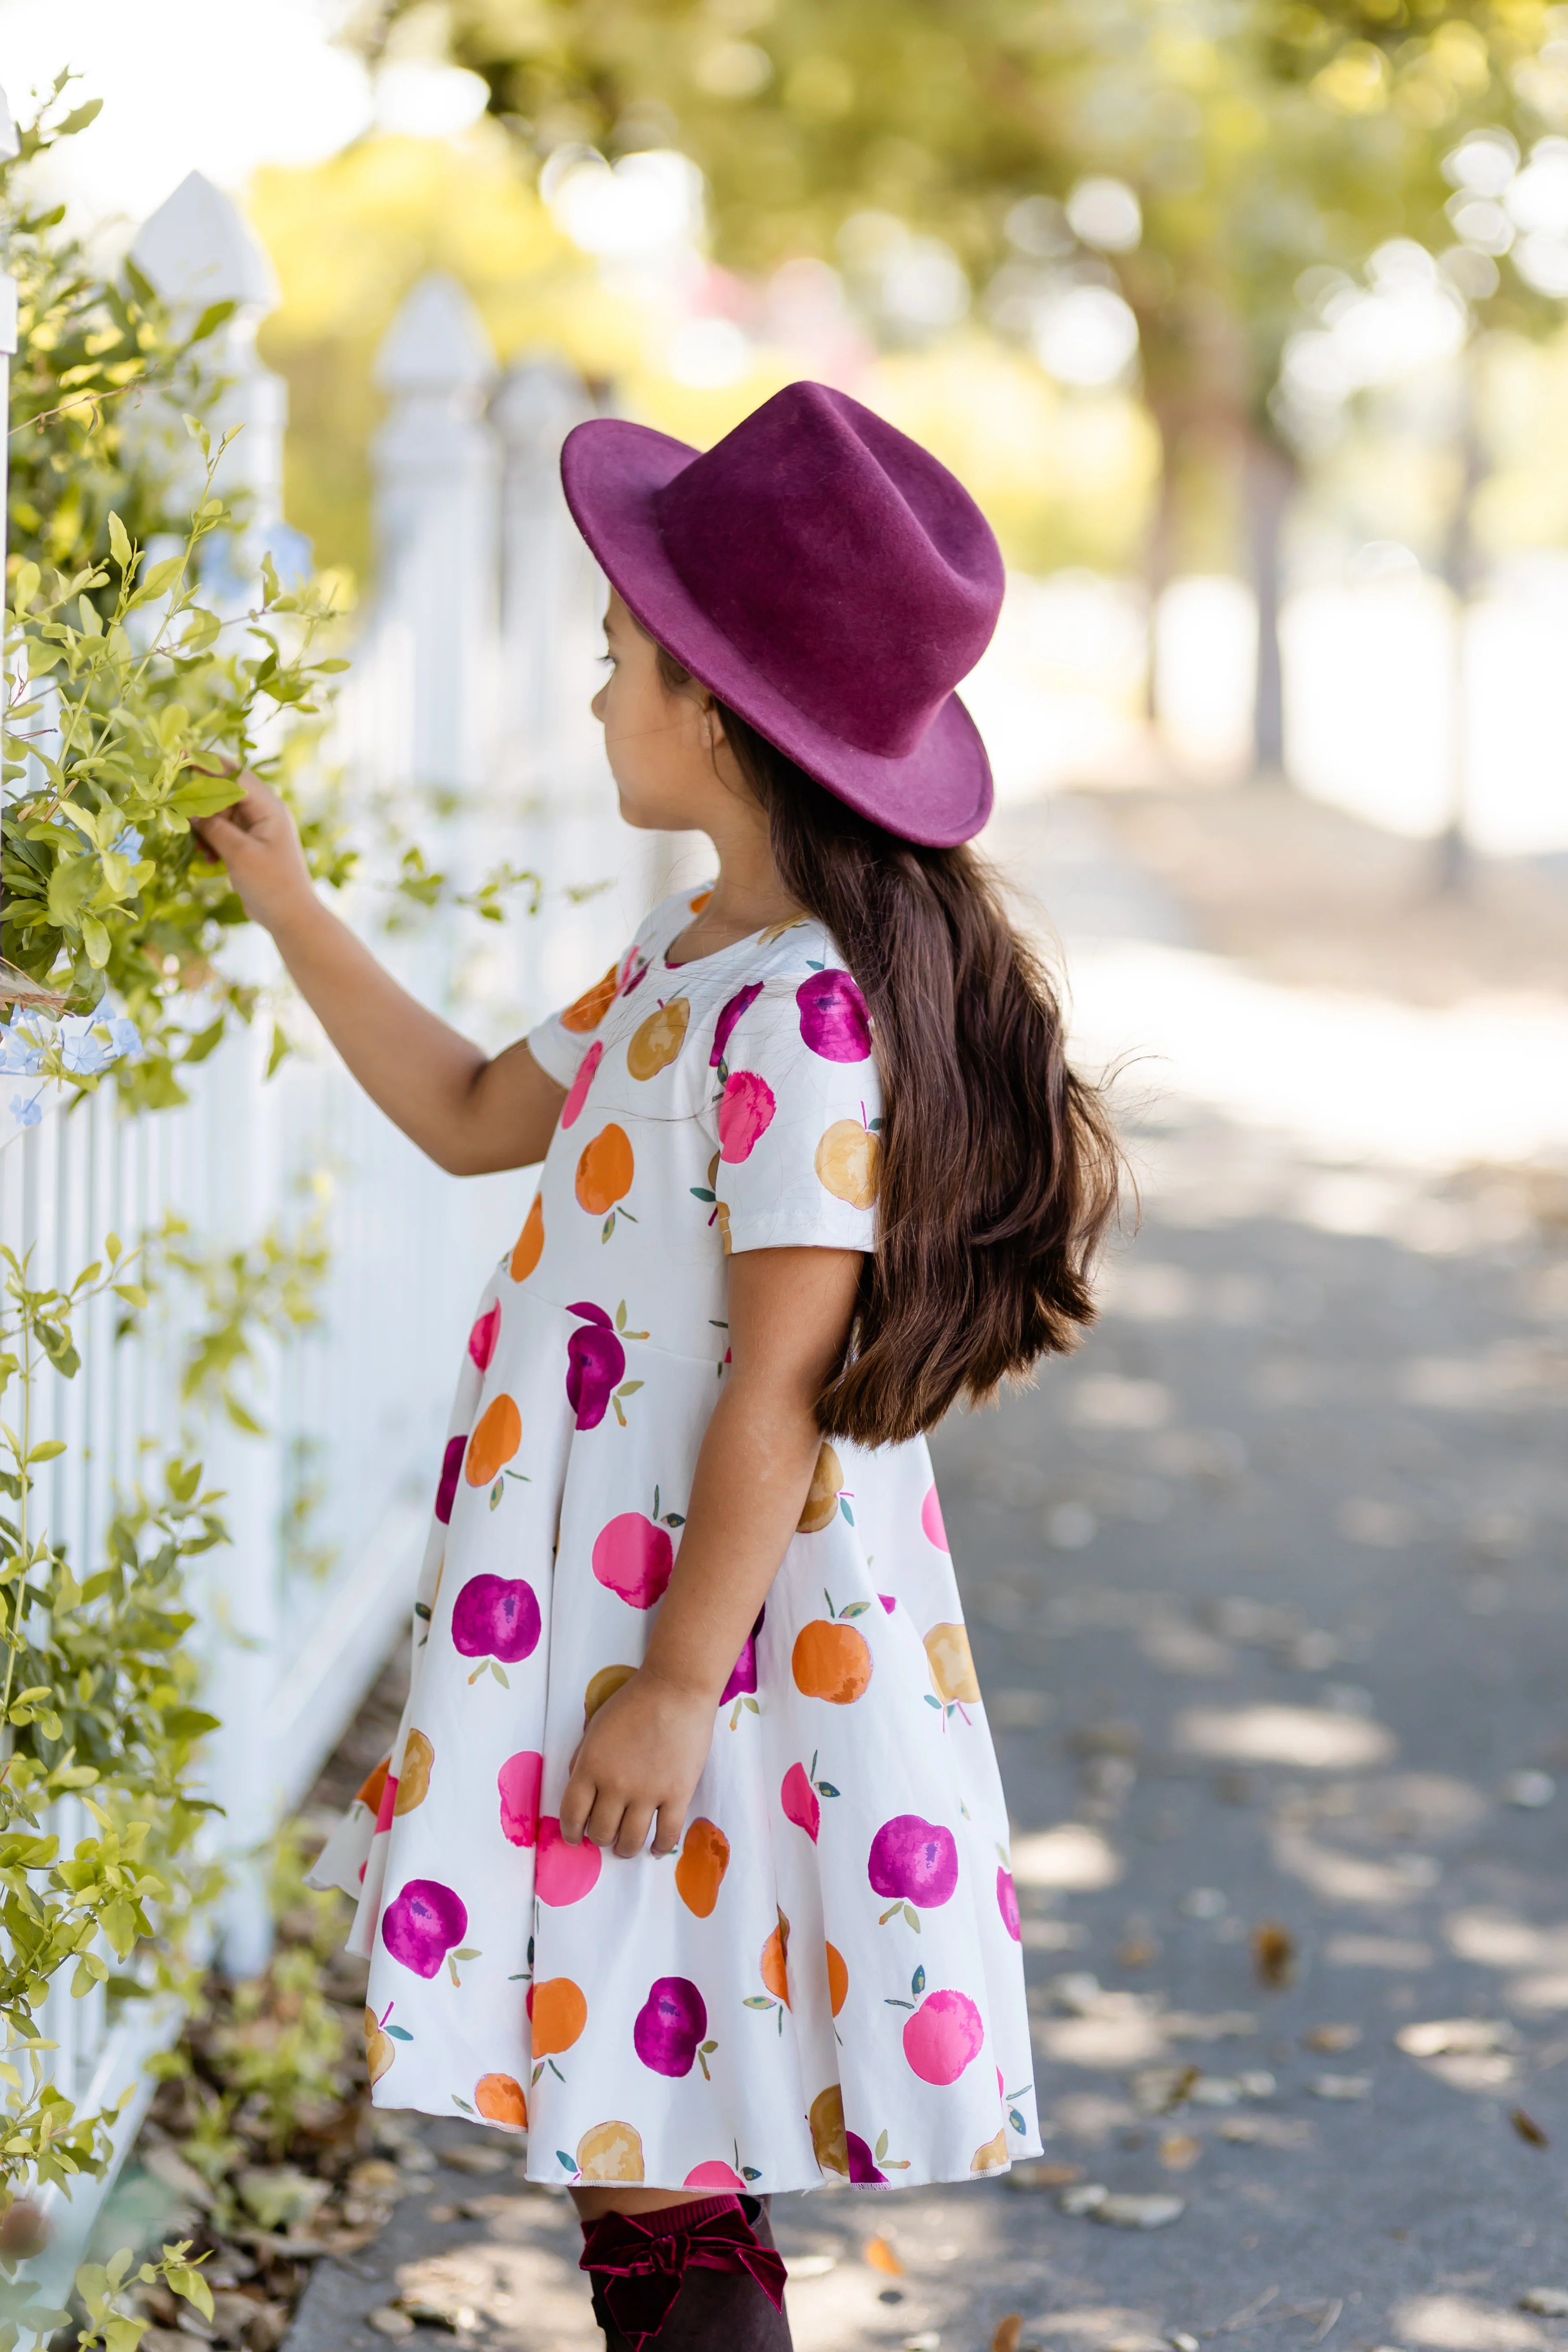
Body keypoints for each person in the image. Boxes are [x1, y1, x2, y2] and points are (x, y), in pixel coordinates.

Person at [195, 380, 1119, 2352]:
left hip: (707, 1642)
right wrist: (283, 895)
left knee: (658, 2154)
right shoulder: (689, 957)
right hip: (623, 1611)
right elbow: (461, 1109)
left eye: (617, 658)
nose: (597, 689)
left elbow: (778, 1385)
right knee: (655, 2143)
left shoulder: (796, 1017)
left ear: (714, 702)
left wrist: (673, 1690)